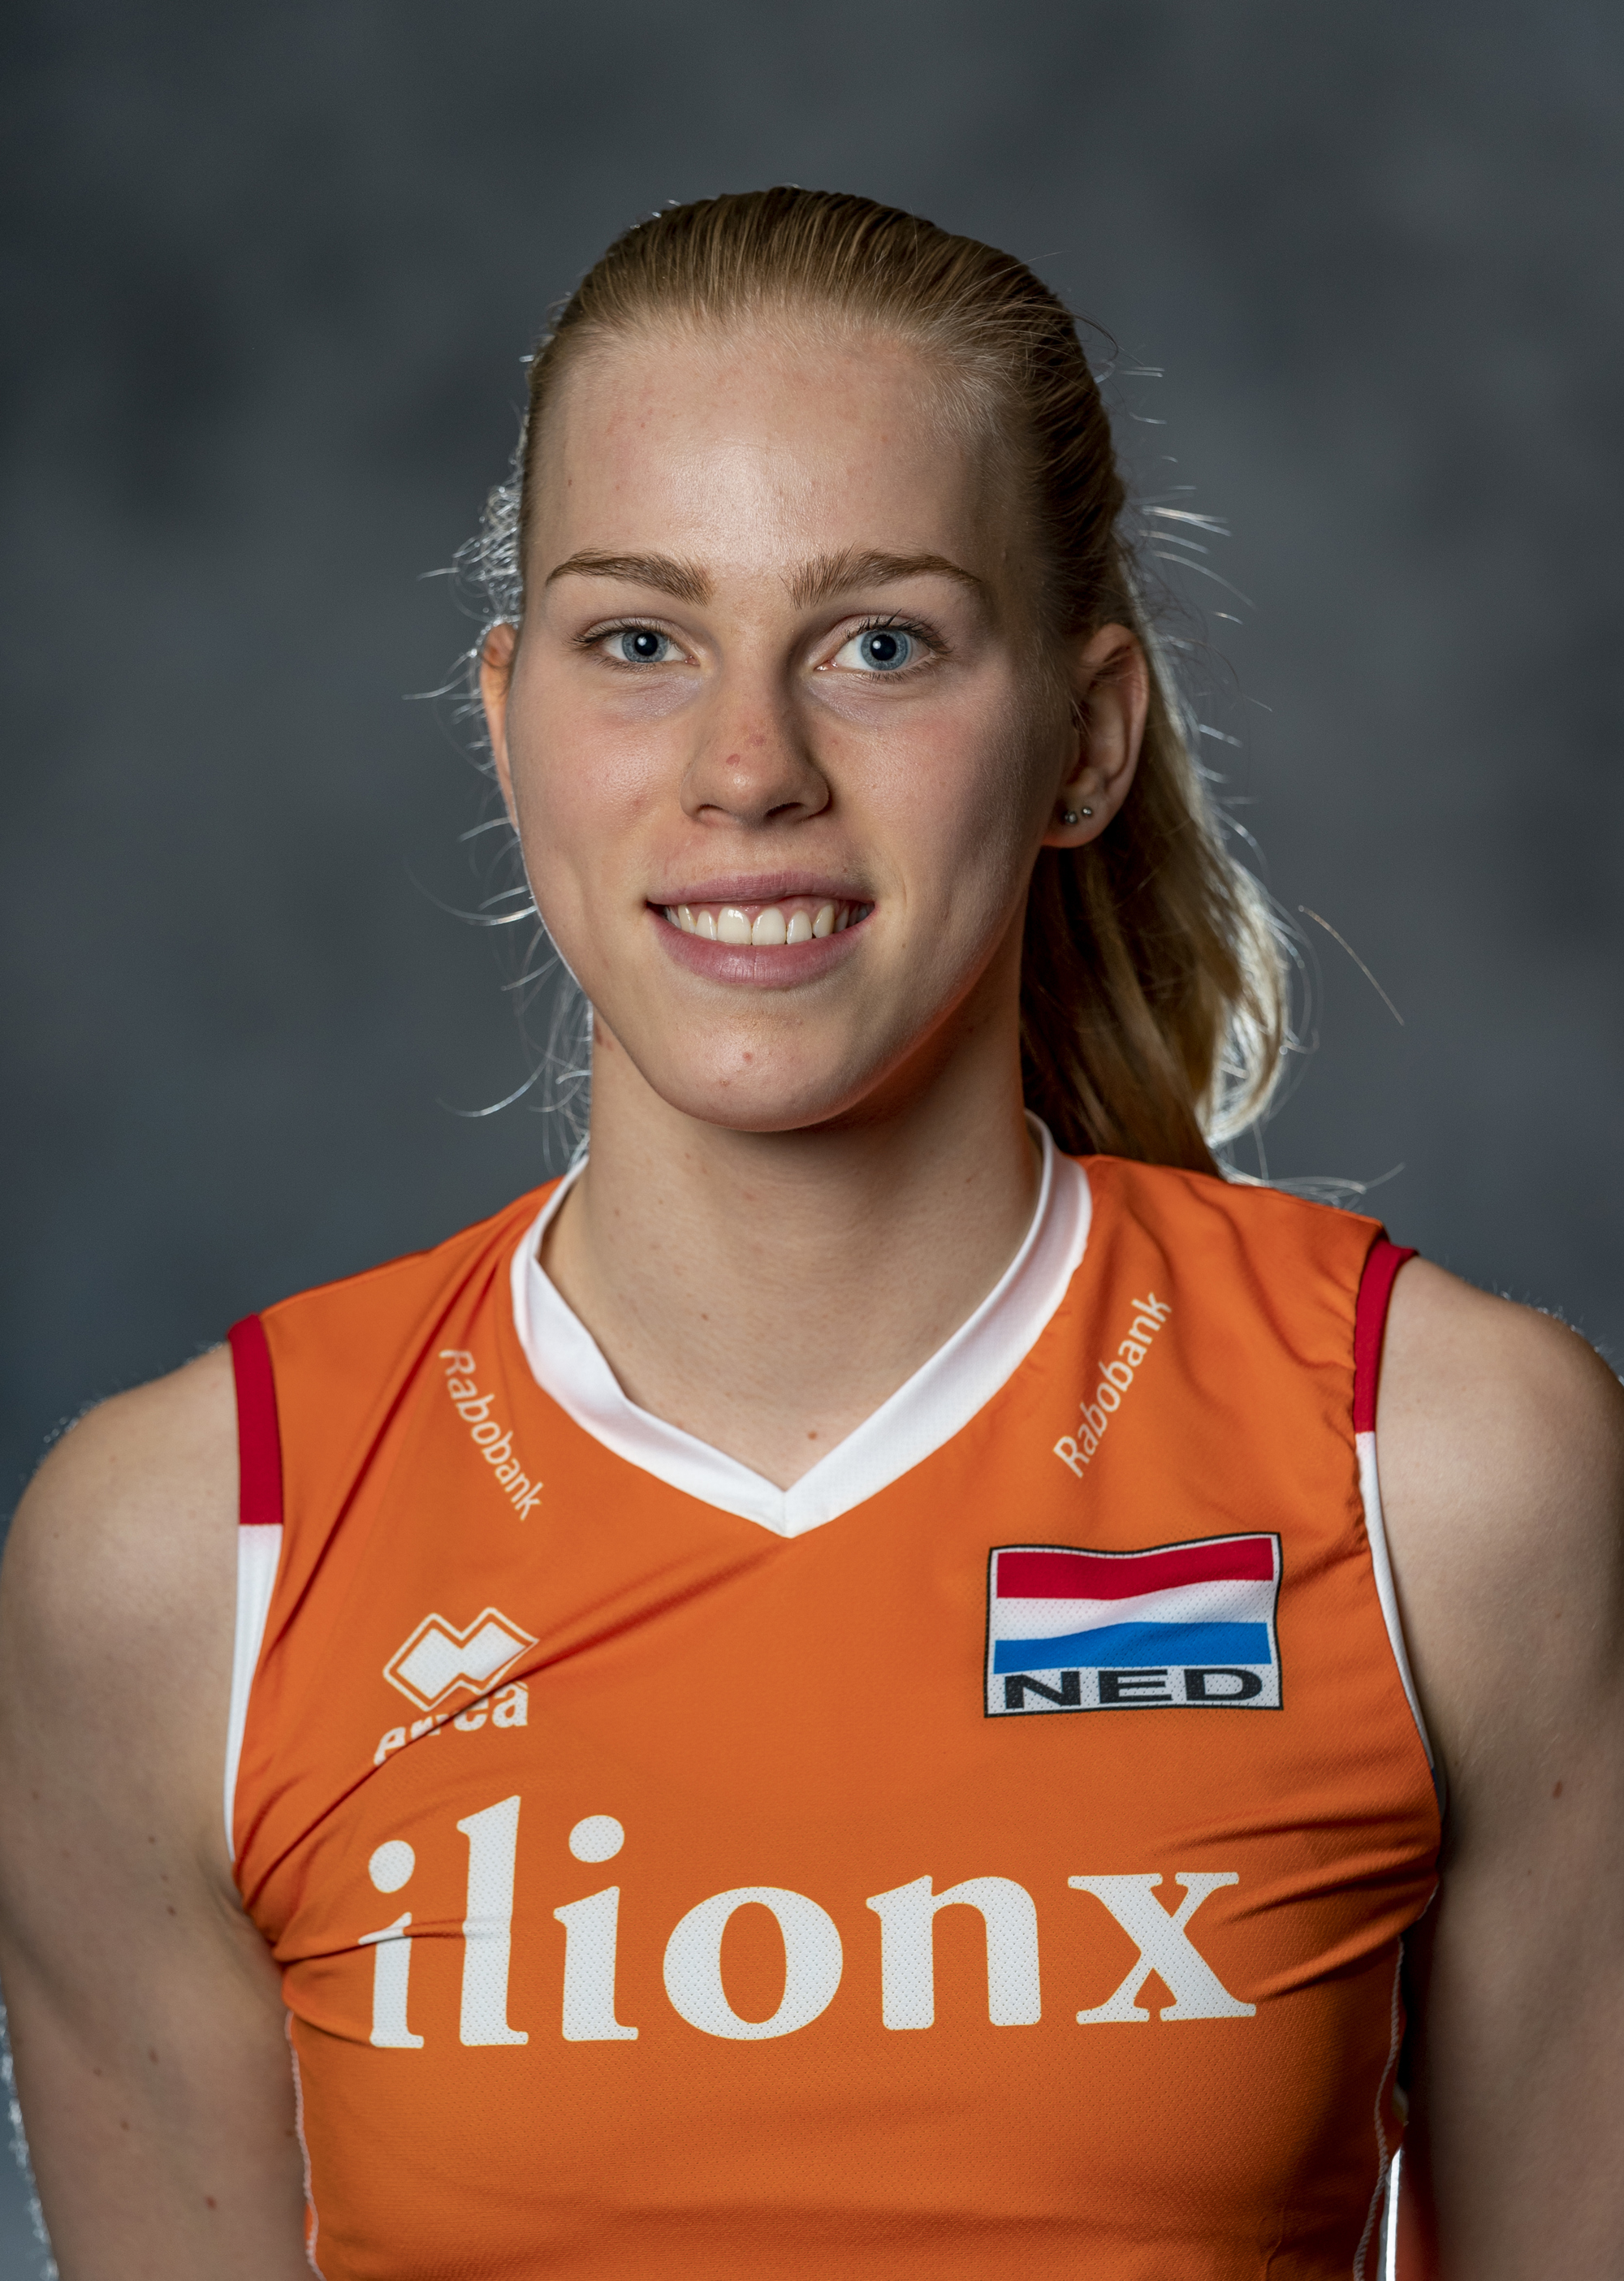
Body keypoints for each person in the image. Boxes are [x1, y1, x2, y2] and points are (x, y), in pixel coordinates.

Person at [0, 188, 1619, 2281]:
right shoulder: (182, 1563)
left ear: (1086, 738)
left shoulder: (1448, 1479)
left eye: (880, 644)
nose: (748, 768)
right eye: (639, 642)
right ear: (506, 719)